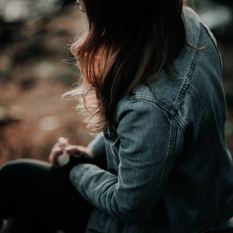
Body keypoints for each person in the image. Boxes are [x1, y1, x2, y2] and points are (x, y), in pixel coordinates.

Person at [0, 0, 233, 233]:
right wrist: (92, 153)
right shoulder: (188, 27)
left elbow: (130, 205)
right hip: (200, 206)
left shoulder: (147, 106)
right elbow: (156, 137)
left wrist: (76, 169)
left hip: (168, 224)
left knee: (15, 179)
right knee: (29, 208)